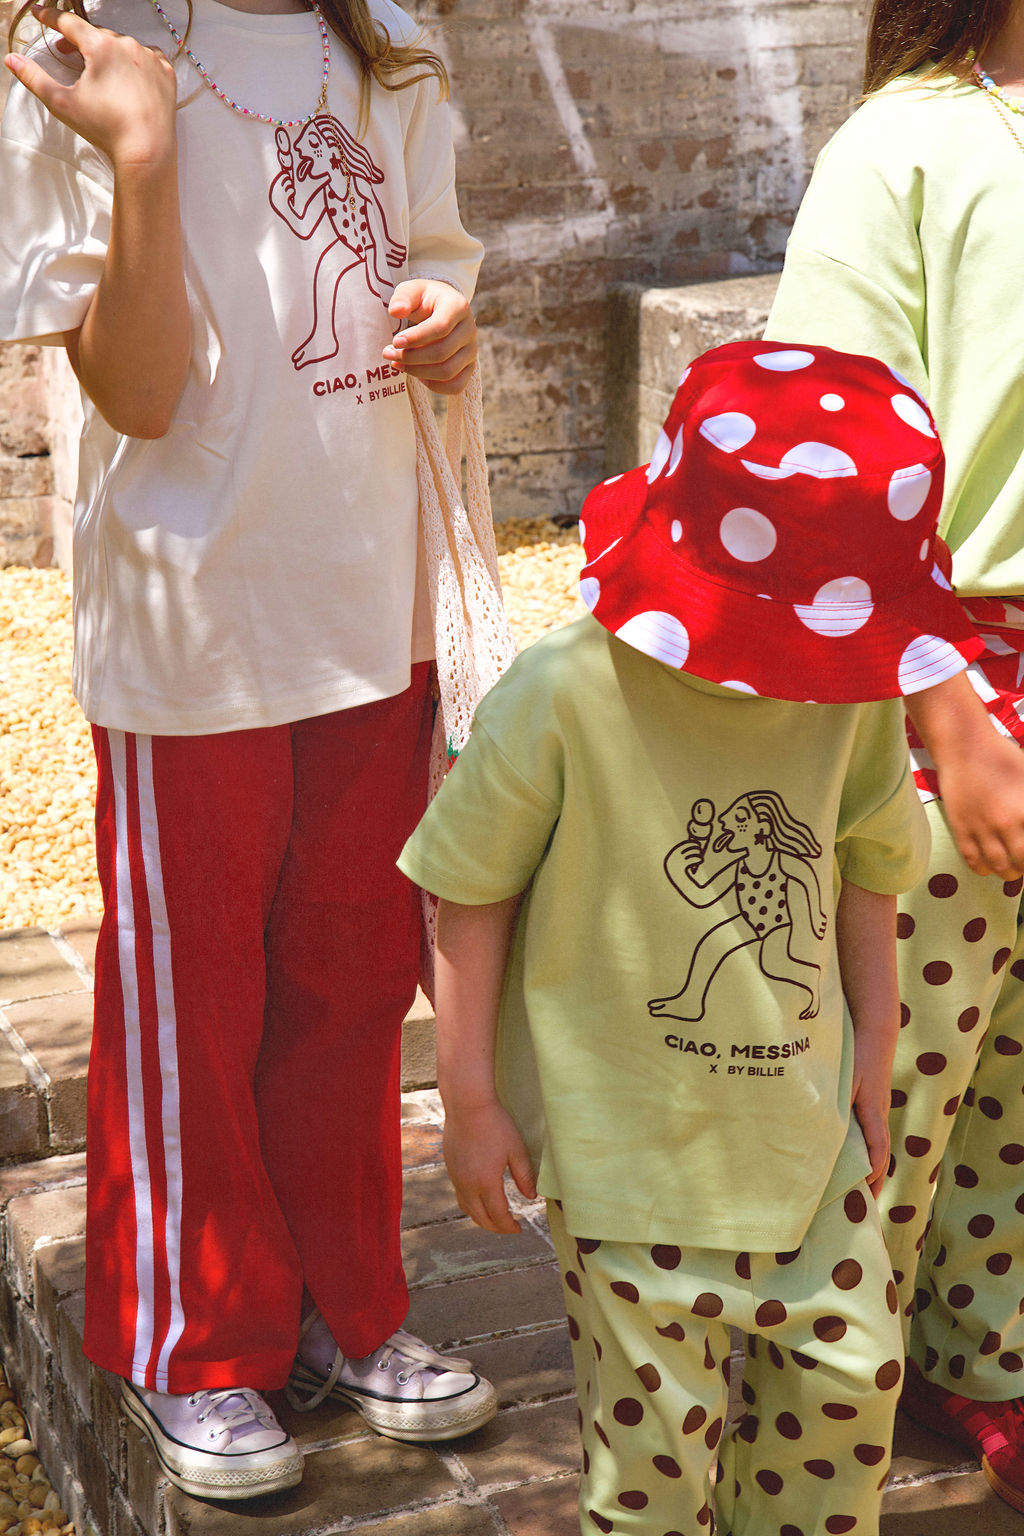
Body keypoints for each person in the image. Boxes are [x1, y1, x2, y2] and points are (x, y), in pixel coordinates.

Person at [0, 0, 496, 1503]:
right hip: (197, 624)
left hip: (369, 597)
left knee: (350, 977)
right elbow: (136, 395)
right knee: (189, 992)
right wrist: (142, 151)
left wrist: (453, 326)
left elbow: (436, 270)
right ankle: (194, 1334)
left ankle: (346, 1312)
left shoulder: (394, 42)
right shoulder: (77, 55)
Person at [398, 339, 984, 1536]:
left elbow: (871, 865)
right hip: (624, 1160)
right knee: (653, 1468)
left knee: (849, 1394)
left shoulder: (854, 690)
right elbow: (469, 887)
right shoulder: (562, 692)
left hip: (805, 1142)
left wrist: (876, 1042)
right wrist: (468, 1095)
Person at [764, 0, 1024, 1511]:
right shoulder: (907, 144)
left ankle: (978, 1356)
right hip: (955, 683)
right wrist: (941, 704)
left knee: (1011, 1088)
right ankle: (813, 1441)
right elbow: (831, 457)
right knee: (896, 1090)